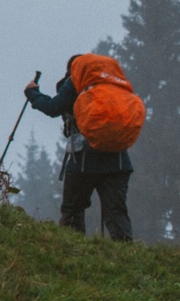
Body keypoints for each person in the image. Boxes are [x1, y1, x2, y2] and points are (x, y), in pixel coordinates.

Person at [25, 60, 133, 241]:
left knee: (72, 210)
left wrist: (32, 93)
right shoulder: (112, 83)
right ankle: (126, 257)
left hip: (83, 158)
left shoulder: (75, 80)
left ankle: (72, 251)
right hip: (119, 159)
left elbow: (53, 107)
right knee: (116, 212)